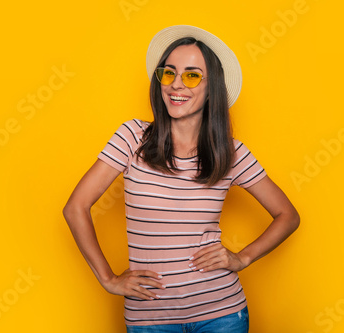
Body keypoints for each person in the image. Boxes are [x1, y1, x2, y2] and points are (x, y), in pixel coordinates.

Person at [63, 25, 300, 333]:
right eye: (169, 73)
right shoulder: (132, 138)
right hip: (150, 318)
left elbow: (288, 216)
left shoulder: (230, 153)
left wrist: (243, 257)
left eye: (191, 75)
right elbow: (75, 207)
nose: (176, 85)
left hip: (222, 314)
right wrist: (108, 279)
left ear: (211, 87)